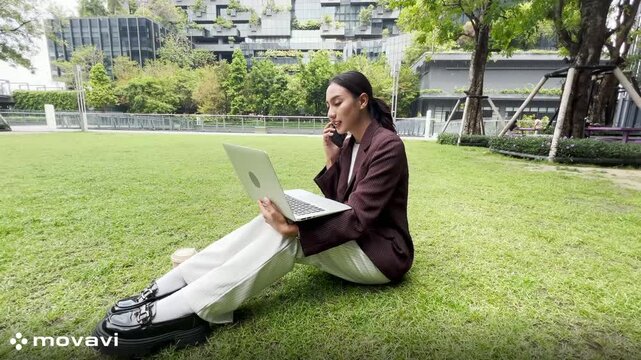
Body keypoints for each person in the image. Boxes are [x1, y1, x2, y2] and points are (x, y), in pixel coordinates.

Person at [92, 71, 414, 357]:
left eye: (336, 102)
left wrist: (298, 232)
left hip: (381, 254)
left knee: (286, 239)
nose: (330, 113)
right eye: (327, 104)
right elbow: (339, 203)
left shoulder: (387, 146)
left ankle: (185, 310)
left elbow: (357, 218)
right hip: (356, 240)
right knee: (271, 221)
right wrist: (332, 159)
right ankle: (168, 287)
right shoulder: (351, 145)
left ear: (361, 101)